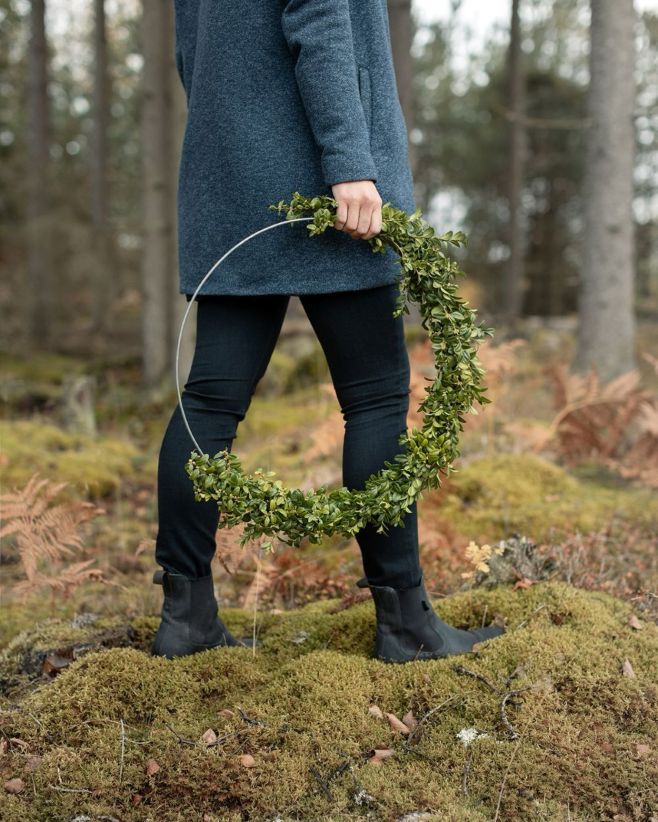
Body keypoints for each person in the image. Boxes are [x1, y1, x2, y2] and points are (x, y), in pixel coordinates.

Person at [150, 0, 505, 661]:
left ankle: (186, 618)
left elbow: (188, 54)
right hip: (332, 189)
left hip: (230, 186)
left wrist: (237, 142)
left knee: (208, 400)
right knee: (374, 398)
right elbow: (321, 21)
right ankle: (404, 624)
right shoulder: (342, 172)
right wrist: (349, 160)